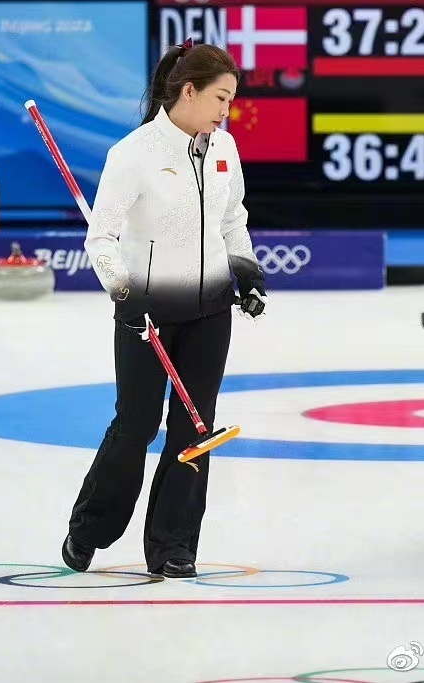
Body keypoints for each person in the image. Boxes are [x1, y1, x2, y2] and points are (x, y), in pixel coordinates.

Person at [60, 40, 268, 579]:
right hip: (145, 313)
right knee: (136, 425)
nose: (228, 110)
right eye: (222, 98)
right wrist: (124, 292)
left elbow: (233, 221)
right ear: (188, 90)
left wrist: (245, 271)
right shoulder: (133, 154)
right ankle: (90, 529)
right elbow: (101, 237)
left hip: (208, 313)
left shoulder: (224, 149)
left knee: (194, 431)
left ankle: (174, 546)